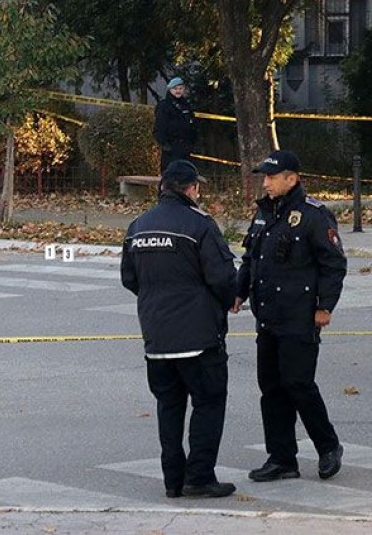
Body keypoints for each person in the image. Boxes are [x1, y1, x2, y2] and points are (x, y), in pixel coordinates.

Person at [120, 159, 238, 499]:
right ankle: (199, 476)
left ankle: (173, 480)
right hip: (199, 337)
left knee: (168, 405)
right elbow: (221, 277)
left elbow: (130, 279)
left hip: (156, 338)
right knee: (208, 401)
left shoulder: (138, 226)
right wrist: (229, 298)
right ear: (191, 189)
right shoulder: (199, 225)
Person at [234, 150, 346, 483]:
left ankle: (328, 446)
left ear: (291, 179)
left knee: (298, 384)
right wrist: (238, 291)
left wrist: (325, 305)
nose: (265, 183)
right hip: (268, 316)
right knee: (271, 388)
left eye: (271, 177)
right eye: (264, 177)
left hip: (300, 316)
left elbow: (333, 264)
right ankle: (281, 458)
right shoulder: (263, 214)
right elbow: (250, 258)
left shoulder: (313, 216)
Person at [154, 77, 198, 172]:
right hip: (171, 150)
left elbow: (193, 125)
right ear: (170, 90)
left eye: (180, 88)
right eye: (175, 89)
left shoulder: (186, 105)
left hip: (185, 149)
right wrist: (165, 145)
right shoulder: (164, 106)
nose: (178, 91)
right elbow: (159, 127)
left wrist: (192, 143)